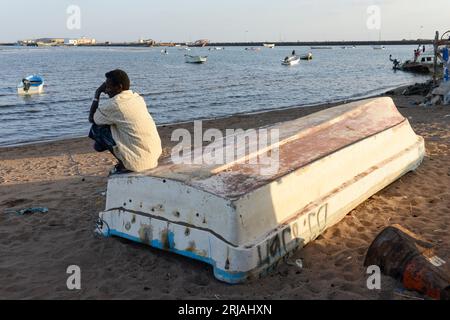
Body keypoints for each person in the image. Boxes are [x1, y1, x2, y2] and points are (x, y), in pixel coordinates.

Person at [88, 69, 162, 175]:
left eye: (108, 87)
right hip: (153, 156)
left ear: (119, 87)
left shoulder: (115, 104)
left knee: (97, 128)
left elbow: (92, 119)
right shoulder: (137, 98)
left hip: (139, 163)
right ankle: (125, 158)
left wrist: (97, 94)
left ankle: (124, 163)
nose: (106, 90)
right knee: (113, 124)